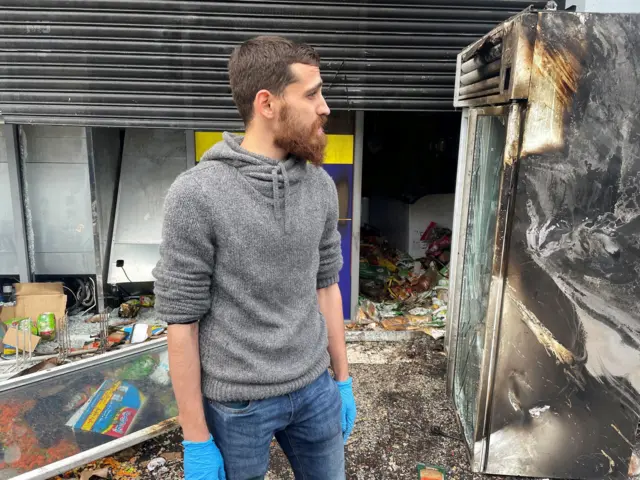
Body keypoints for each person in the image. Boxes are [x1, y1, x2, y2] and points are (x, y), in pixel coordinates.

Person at [152, 36, 357, 480]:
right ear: (267, 103)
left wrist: (342, 380)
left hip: (314, 386)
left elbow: (327, 286)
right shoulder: (196, 194)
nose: (324, 107)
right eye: (312, 93)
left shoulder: (320, 186)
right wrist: (196, 439)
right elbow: (181, 323)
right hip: (237, 404)